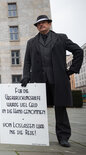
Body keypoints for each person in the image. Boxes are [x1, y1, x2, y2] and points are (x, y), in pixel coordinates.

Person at [21, 15, 83, 147]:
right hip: (39, 80)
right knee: (37, 109)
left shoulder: (61, 38)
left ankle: (63, 137)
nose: (41, 25)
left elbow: (78, 51)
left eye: (44, 23)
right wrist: (26, 76)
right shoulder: (31, 42)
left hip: (58, 79)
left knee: (60, 108)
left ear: (49, 24)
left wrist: (72, 69)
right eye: (38, 24)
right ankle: (35, 135)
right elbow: (27, 61)